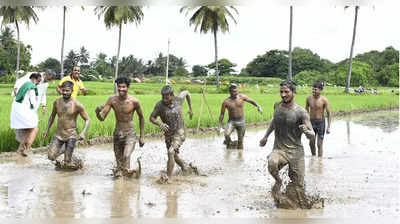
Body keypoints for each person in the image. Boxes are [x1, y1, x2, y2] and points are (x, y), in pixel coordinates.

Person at [259, 80, 315, 209]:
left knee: (298, 187)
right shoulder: (277, 106)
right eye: (281, 92)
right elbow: (274, 121)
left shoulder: (301, 112)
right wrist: (266, 136)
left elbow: (312, 134)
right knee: (272, 162)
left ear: (294, 93)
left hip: (296, 152)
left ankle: (298, 206)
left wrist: (306, 131)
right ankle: (278, 182)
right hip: (279, 149)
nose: (283, 95)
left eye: (286, 92)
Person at [95, 77, 145, 177]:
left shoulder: (134, 101)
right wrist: (97, 112)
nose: (121, 89)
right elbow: (102, 118)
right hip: (117, 134)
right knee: (119, 166)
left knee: (126, 156)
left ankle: (129, 184)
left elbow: (142, 118)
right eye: (119, 87)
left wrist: (142, 136)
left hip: (130, 134)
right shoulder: (112, 100)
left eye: (123, 87)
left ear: (128, 87)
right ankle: (123, 184)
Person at [42, 81, 90, 169]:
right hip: (58, 134)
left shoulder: (77, 105)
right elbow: (52, 116)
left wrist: (83, 132)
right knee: (51, 156)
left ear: (72, 91)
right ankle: (65, 151)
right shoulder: (56, 102)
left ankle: (75, 163)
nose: (65, 93)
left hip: (71, 135)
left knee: (67, 162)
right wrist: (47, 130)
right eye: (63, 90)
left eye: (67, 91)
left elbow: (87, 119)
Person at [149, 85, 194, 177]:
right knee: (174, 155)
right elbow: (152, 118)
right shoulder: (159, 105)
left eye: (166, 97)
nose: (164, 99)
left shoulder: (179, 99)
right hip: (169, 134)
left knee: (170, 152)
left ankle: (168, 179)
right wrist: (160, 123)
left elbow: (187, 92)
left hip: (180, 131)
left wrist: (190, 108)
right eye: (163, 97)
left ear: (172, 95)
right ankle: (185, 167)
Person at [218, 84, 263, 149]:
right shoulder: (226, 102)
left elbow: (251, 101)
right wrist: (219, 126)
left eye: (236, 91)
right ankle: (229, 146)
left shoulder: (241, 97)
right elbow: (222, 114)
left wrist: (258, 106)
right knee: (226, 135)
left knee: (240, 141)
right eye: (233, 91)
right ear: (230, 92)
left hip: (241, 121)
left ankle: (240, 156)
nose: (235, 93)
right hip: (231, 122)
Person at [10, 73, 42, 156]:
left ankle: (23, 147)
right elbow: (33, 101)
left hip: (17, 109)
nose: (38, 83)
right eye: (38, 81)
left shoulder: (25, 84)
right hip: (22, 109)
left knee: (29, 127)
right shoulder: (31, 86)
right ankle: (24, 148)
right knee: (33, 127)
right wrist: (35, 111)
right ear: (34, 79)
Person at [305, 81, 331, 157]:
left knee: (319, 144)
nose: (313, 91)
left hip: (321, 123)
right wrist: (306, 124)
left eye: (315, 89)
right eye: (313, 89)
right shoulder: (308, 99)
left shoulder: (324, 100)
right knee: (311, 143)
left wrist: (328, 127)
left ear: (320, 90)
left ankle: (320, 161)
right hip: (311, 122)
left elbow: (329, 113)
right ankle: (313, 158)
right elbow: (306, 111)